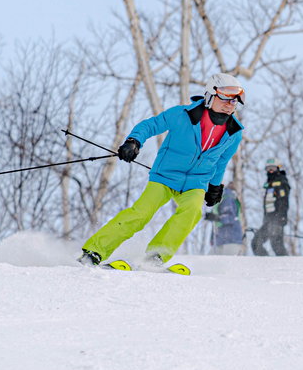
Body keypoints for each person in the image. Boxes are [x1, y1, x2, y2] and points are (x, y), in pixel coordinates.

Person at [78, 72, 246, 267]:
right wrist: (134, 141)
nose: (230, 103)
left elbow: (221, 161)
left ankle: (156, 256)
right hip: (165, 177)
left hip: (196, 182)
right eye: (226, 97)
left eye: (236, 100)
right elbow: (151, 125)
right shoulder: (181, 115)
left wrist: (215, 186)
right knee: (141, 213)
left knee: (192, 211)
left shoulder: (235, 132)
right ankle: (94, 251)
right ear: (210, 95)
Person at [252, 157, 290, 256]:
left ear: (278, 168)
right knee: (256, 243)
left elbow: (283, 202)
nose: (270, 171)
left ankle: (287, 266)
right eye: (268, 169)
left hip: (277, 219)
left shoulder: (281, 182)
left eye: (272, 168)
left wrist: (281, 217)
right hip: (268, 220)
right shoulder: (269, 184)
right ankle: (266, 265)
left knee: (276, 245)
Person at [203, 185, 245, 255]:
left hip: (230, 239)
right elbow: (217, 223)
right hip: (221, 240)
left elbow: (230, 217)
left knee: (221, 263)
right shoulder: (221, 199)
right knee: (210, 262)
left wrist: (216, 218)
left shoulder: (227, 197)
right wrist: (212, 238)